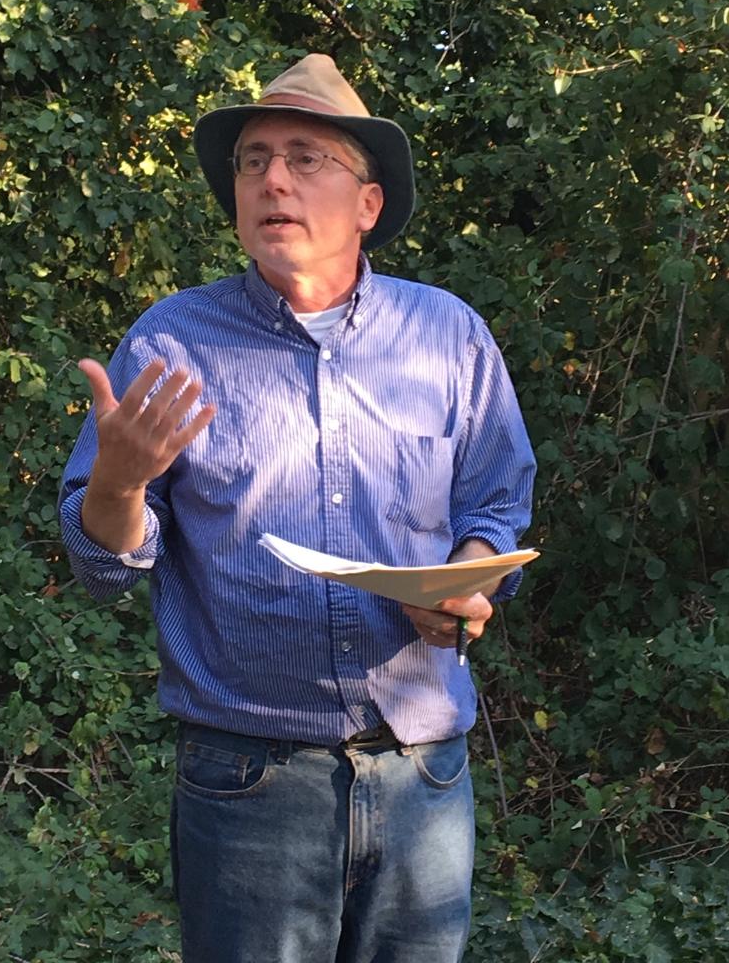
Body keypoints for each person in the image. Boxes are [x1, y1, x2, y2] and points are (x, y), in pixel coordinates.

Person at [58, 53, 536, 963]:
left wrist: (466, 590)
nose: (272, 178)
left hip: (423, 773)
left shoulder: (448, 335)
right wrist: (116, 486)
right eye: (253, 160)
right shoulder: (172, 342)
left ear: (368, 204)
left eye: (306, 157)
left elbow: (495, 502)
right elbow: (108, 564)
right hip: (249, 783)